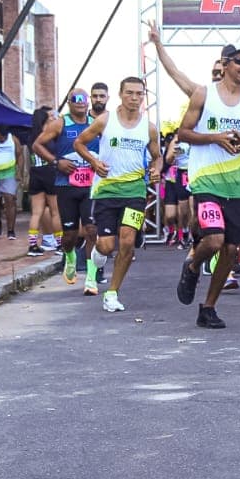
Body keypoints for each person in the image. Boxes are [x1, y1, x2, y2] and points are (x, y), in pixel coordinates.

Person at [173, 43, 240, 328]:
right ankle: (191, 266)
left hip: (237, 185)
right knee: (214, 240)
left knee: (230, 250)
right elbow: (183, 133)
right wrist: (215, 138)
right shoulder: (205, 93)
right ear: (225, 63)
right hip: (206, 180)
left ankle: (208, 308)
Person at [73, 76, 162, 313]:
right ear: (121, 95)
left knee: (128, 242)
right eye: (130, 93)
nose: (135, 98)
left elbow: (157, 155)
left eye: (139, 94)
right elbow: (79, 143)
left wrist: (157, 169)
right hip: (106, 191)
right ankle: (97, 256)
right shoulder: (105, 120)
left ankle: (112, 293)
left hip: (135, 191)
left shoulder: (149, 128)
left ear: (144, 96)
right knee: (106, 245)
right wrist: (93, 161)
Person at [32, 91, 102, 290]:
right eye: (75, 100)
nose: (80, 103)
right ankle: (70, 255)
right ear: (69, 103)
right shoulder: (60, 123)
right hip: (66, 186)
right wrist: (57, 162)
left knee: (91, 230)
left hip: (91, 186)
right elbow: (37, 145)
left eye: (83, 99)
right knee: (70, 235)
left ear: (88, 102)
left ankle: (91, 277)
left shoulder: (96, 122)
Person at [25, 106, 58, 257]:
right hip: (50, 172)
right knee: (55, 211)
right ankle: (60, 244)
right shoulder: (49, 135)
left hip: (35, 173)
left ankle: (32, 246)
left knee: (36, 212)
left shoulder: (31, 135)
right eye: (50, 116)